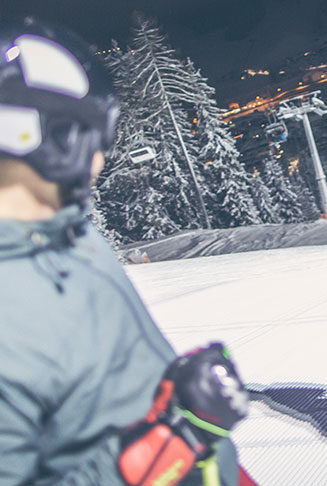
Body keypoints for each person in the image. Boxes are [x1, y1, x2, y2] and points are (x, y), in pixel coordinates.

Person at [0, 19, 254, 486]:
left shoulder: (67, 232)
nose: (102, 156)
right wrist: (174, 440)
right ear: (57, 141)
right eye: (96, 134)